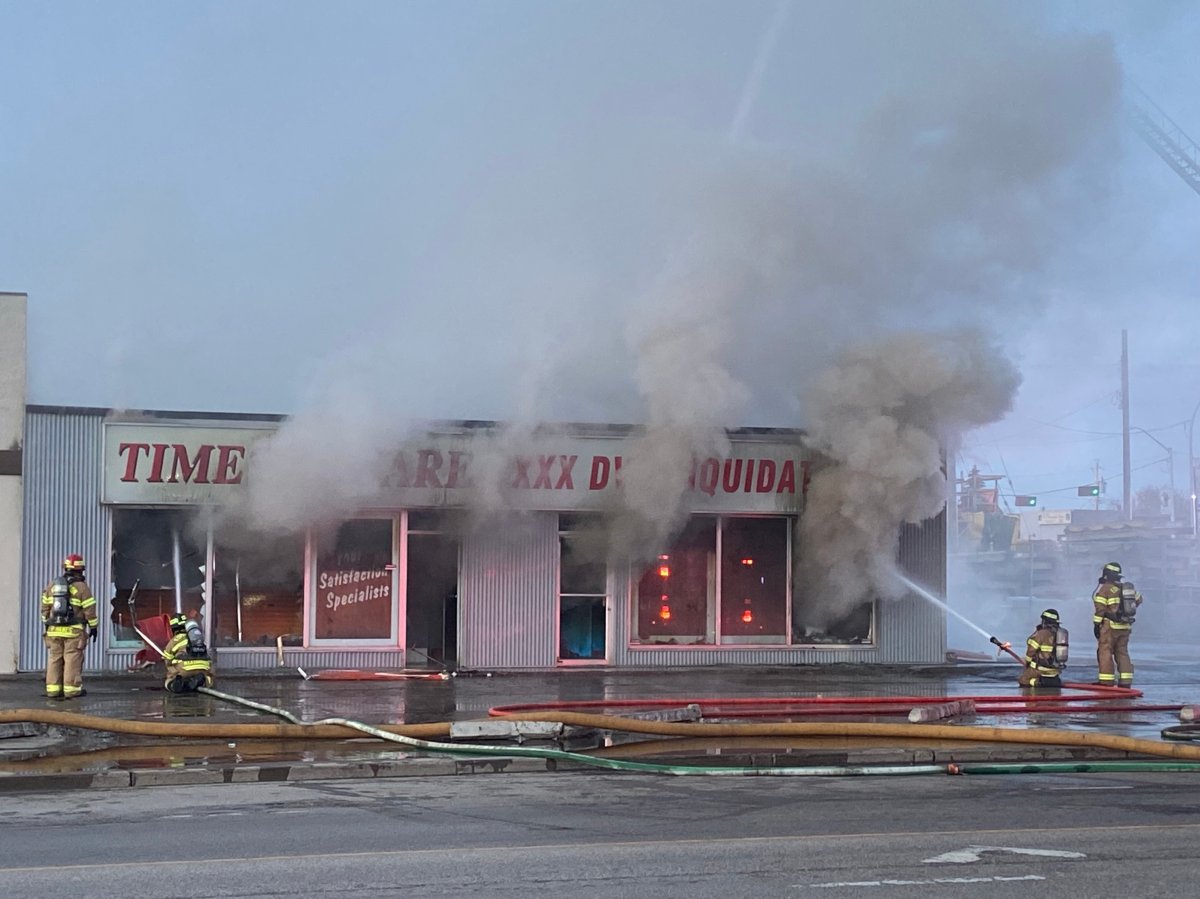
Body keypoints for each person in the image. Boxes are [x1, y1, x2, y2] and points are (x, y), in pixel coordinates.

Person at [40, 553, 99, 700]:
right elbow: (90, 610)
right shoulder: (82, 588)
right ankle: (71, 691)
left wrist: (47, 624)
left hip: (53, 631)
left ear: (65, 568)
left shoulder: (53, 585)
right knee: (72, 659)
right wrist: (93, 627)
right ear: (81, 570)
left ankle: (53, 690)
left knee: (55, 659)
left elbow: (44, 607)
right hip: (73, 632)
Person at [1092, 561, 1142, 687]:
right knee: (1122, 652)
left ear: (1106, 575)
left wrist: (1096, 625)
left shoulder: (1105, 589)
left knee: (1105, 652)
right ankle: (1126, 681)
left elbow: (1100, 610)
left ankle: (1106, 681)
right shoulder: (1126, 588)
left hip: (1110, 627)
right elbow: (1139, 599)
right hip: (1125, 626)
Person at [162, 614, 214, 694]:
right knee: (209, 678)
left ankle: (175, 683)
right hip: (203, 668)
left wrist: (173, 671)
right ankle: (202, 681)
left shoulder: (175, 640)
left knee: (169, 678)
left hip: (184, 669)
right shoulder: (197, 638)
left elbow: (167, 659)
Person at [1017, 608, 1068, 689]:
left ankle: (1038, 682)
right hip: (1055, 670)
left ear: (1045, 621)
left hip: (1041, 669)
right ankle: (1051, 682)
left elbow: (1031, 651)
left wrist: (1027, 662)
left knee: (1022, 680)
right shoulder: (1060, 634)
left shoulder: (1042, 633)